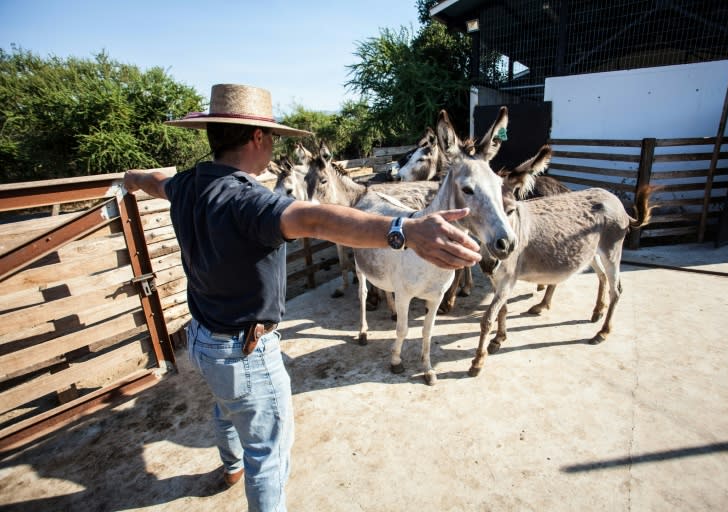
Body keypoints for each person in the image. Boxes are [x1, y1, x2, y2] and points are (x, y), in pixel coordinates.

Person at [123, 83, 480, 511]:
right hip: (244, 350)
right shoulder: (250, 201)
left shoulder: (185, 185)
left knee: (225, 407)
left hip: (201, 338)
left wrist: (129, 179)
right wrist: (404, 230)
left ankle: (230, 465)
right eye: (271, 137)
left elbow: (152, 180)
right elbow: (313, 218)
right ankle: (245, 472)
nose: (273, 147)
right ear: (257, 138)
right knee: (269, 457)